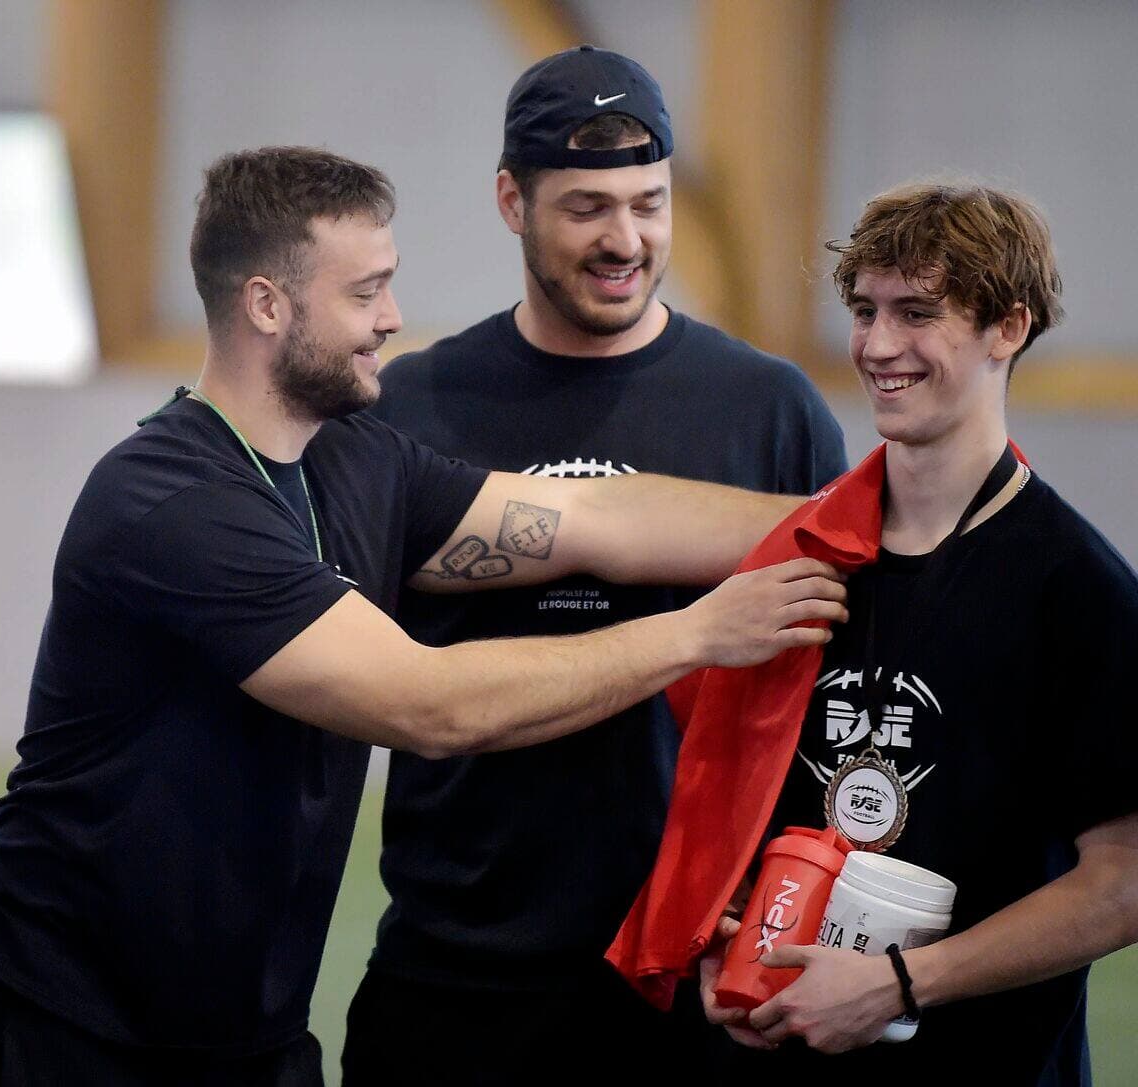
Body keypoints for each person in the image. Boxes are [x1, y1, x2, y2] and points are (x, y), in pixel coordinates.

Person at [0, 146, 848, 1087]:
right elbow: (430, 704)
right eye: (366, 293)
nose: (393, 320)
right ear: (267, 306)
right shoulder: (170, 500)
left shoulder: (362, 465)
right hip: (56, 1024)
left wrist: (864, 523)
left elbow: (596, 518)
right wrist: (701, 632)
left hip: (249, 1036)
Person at [343, 45, 847, 1085]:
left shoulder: (770, 408)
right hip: (458, 969)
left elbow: (826, 693)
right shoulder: (410, 406)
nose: (625, 240)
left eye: (649, 203)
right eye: (585, 208)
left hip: (690, 976)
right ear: (510, 202)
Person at [696, 183, 1138, 1084]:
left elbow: (1125, 879)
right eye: (864, 310)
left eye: (918, 312)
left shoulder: (1077, 587)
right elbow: (737, 804)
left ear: (1006, 328)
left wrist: (900, 984)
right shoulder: (800, 559)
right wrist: (727, 941)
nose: (878, 344)